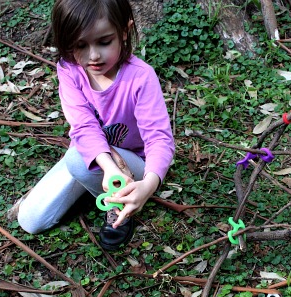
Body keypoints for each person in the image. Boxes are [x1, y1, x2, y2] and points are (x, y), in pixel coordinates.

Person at [17, 0, 175, 250]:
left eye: (104, 41)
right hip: (92, 152)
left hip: (134, 161)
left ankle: (118, 204)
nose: (93, 56)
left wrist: (149, 184)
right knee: (30, 221)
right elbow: (82, 125)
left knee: (77, 161)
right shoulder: (69, 70)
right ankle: (93, 179)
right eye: (80, 45)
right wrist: (107, 167)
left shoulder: (141, 77)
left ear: (124, 31)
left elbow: (159, 138)